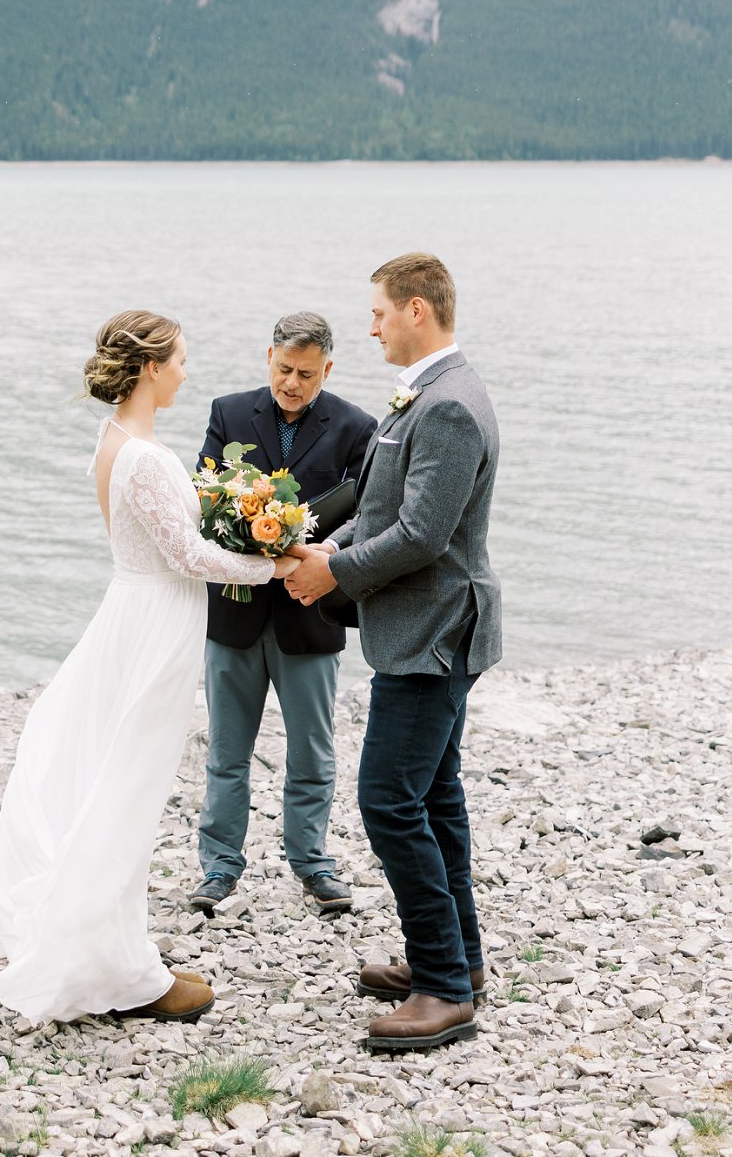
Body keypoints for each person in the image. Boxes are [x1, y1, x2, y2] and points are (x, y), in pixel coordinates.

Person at [0, 311, 299, 1026]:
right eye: (177, 359)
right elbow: (191, 557)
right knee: (128, 791)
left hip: (134, 615)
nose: (183, 371)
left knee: (117, 781)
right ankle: (120, 969)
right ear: (148, 368)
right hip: (154, 629)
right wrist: (275, 562)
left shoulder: (114, 440)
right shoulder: (144, 456)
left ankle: (116, 941)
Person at [285, 254, 502, 1054]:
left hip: (435, 632)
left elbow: (421, 535)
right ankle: (460, 961)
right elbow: (382, 504)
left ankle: (443, 986)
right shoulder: (431, 390)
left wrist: (331, 572)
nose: (369, 325)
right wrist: (313, 544)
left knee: (388, 799)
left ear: (417, 309)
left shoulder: (447, 405)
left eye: (378, 312)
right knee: (434, 795)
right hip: (424, 628)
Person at [190, 312, 376, 918]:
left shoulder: (357, 426)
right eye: (282, 370)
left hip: (310, 610)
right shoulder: (228, 411)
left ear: (328, 368)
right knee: (226, 750)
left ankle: (312, 861)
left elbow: (365, 514)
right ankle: (218, 866)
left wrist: (328, 550)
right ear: (267, 357)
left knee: (313, 751)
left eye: (305, 374)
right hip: (234, 611)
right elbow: (206, 493)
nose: (291, 384)